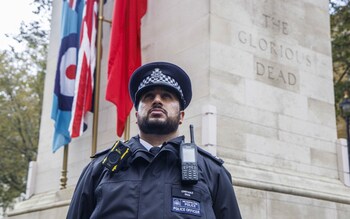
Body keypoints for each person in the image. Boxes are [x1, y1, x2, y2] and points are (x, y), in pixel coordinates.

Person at [66, 62, 242, 219]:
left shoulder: (212, 172)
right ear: (136, 115)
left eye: (166, 96)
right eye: (148, 97)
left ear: (181, 116)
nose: (157, 101)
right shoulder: (99, 169)